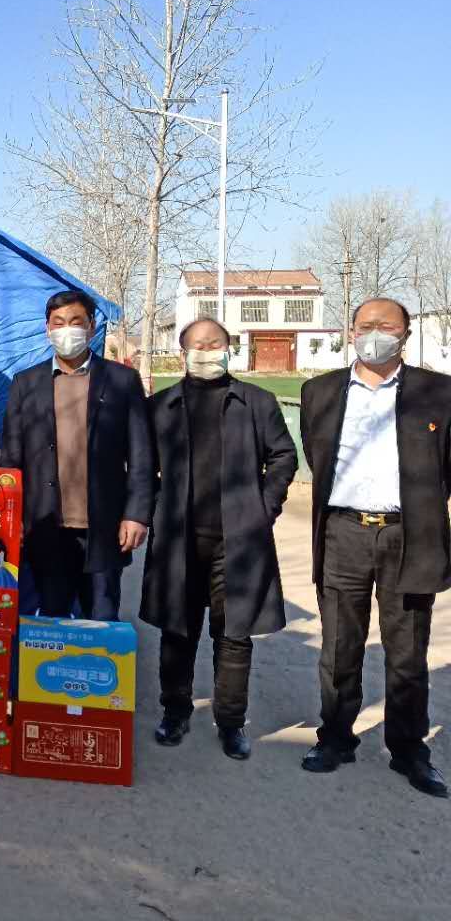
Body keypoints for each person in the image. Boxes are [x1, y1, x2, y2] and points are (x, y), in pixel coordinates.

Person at [299, 298, 450, 798]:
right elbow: (318, 457)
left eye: (387, 325)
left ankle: (408, 749)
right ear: (350, 332)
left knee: (407, 650)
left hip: (409, 536)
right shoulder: (321, 392)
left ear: (406, 334)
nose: (375, 334)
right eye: (366, 325)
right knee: (339, 645)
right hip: (343, 532)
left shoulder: (437, 393)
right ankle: (335, 738)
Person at [141, 318, 298, 760]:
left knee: (233, 634)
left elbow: (283, 455)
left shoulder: (256, 402)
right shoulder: (161, 406)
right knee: (177, 631)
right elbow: (141, 467)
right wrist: (156, 509)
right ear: (182, 352)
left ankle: (231, 721)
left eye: (215, 344)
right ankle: (175, 711)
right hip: (179, 539)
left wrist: (263, 507)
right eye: (198, 344)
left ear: (230, 350)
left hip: (238, 541)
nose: (207, 351)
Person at [2, 289, 152, 620]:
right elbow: (11, 457)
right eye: (58, 323)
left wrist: (136, 514)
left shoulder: (121, 380)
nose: (66, 330)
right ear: (47, 329)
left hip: (105, 526)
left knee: (102, 618)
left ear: (91, 326)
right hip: (46, 528)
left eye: (75, 321)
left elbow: (141, 453)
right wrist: (11, 519)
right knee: (52, 619)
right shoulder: (26, 383)